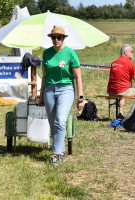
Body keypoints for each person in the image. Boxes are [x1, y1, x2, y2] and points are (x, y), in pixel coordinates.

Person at [39, 26, 84, 165]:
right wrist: (41, 96)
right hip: (49, 89)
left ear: (63, 38)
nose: (56, 40)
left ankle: (55, 153)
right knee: (53, 123)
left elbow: (78, 76)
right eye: (54, 37)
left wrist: (81, 97)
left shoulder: (70, 53)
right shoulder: (46, 53)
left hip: (66, 89)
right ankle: (62, 152)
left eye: (59, 37)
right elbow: (44, 76)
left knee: (60, 120)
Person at [107, 44, 135, 119]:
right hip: (121, 90)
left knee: (123, 90)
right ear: (126, 53)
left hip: (110, 91)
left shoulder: (114, 62)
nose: (133, 54)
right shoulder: (129, 62)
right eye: (132, 52)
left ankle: (120, 112)